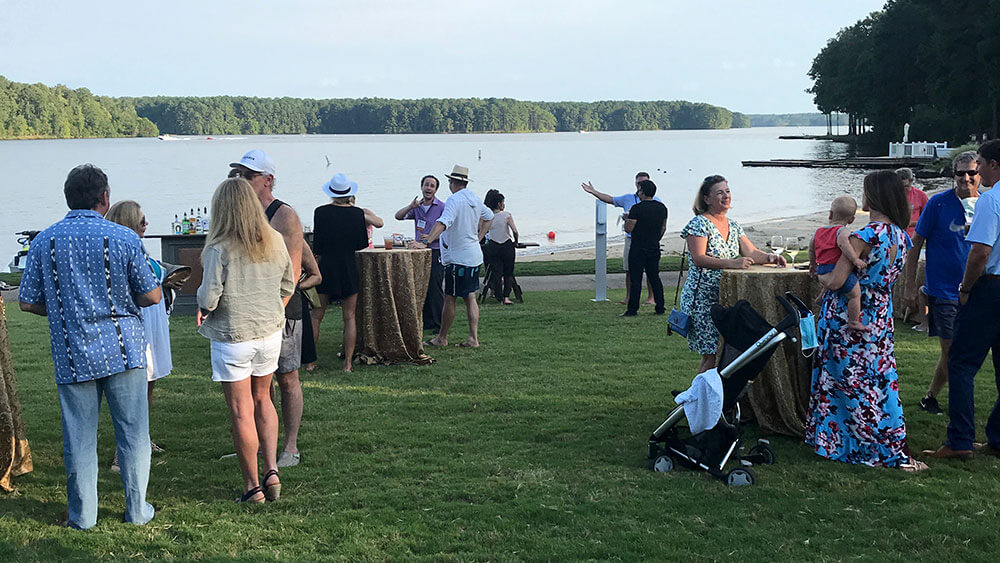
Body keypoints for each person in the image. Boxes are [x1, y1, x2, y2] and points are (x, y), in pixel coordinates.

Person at [18, 164, 161, 529]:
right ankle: (137, 510)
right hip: (123, 349)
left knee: (79, 438)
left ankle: (83, 516)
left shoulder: (44, 241)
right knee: (133, 434)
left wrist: (63, 307)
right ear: (105, 198)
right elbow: (151, 294)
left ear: (68, 198)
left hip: (72, 351)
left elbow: (27, 301)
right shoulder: (125, 238)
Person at [805, 170, 925, 472]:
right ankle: (880, 441)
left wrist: (819, 276)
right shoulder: (901, 236)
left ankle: (849, 444)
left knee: (844, 381)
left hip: (848, 316)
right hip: (880, 314)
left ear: (873, 197)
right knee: (879, 380)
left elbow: (837, 281)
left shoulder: (864, 237)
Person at [196, 177, 295, 502]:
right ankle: (272, 470)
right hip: (269, 333)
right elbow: (287, 285)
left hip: (233, 335)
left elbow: (209, 299)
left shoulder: (219, 247)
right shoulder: (275, 239)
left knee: (241, 411)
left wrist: (201, 304)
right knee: (263, 399)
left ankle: (252, 486)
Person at [923, 140, 1000, 460]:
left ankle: (960, 440)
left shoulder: (991, 200)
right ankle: (998, 438)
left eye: (980, 163)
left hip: (991, 287)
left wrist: (966, 288)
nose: (976, 170)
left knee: (961, 363)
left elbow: (980, 252)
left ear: (993, 165)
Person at [228, 149, 304, 469]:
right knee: (259, 382)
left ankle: (291, 446)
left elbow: (293, 271)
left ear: (268, 180)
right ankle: (260, 444)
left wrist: (275, 312)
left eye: (249, 176)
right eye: (239, 175)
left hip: (282, 310)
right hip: (250, 312)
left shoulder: (284, 215)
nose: (242, 181)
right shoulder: (239, 214)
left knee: (287, 377)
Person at [679, 175, 785, 373]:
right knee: (711, 354)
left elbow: (751, 252)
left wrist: (771, 257)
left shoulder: (734, 226)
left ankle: (714, 391)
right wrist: (732, 263)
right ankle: (700, 392)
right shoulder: (699, 224)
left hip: (725, 297)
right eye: (720, 193)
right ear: (706, 199)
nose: (726, 196)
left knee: (723, 352)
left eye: (727, 191)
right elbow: (698, 258)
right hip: (702, 299)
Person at [902, 151, 980, 415]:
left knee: (963, 352)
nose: (966, 178)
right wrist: (910, 285)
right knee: (952, 351)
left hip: (977, 291)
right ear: (953, 175)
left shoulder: (986, 205)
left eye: (972, 172)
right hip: (943, 290)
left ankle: (930, 396)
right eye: (960, 173)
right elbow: (915, 244)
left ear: (980, 174)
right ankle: (961, 408)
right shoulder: (938, 204)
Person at [105, 200, 172, 472]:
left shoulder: (140, 249)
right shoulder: (120, 250)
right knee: (132, 387)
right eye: (141, 220)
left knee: (149, 381)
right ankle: (121, 452)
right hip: (136, 319)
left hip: (153, 318)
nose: (146, 224)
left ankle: (143, 437)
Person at [411, 165, 493, 348]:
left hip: (458, 259)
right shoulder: (474, 198)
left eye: (449, 181)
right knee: (470, 296)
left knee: (450, 297)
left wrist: (426, 242)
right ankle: (473, 337)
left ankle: (442, 337)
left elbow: (443, 222)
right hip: (473, 256)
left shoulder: (454, 200)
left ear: (452, 182)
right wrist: (479, 237)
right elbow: (489, 217)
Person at [312, 173, 371, 372]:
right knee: (349, 317)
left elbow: (317, 245)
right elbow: (362, 243)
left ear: (331, 193)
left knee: (316, 315)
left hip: (326, 266)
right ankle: (347, 364)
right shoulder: (357, 214)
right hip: (348, 267)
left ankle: (310, 362)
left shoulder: (320, 212)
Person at [581, 172, 660, 306]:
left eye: (643, 183)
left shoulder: (656, 201)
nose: (640, 186)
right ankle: (629, 298)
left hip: (649, 240)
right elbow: (610, 199)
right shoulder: (628, 198)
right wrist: (594, 192)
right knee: (629, 270)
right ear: (635, 183)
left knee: (651, 271)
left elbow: (660, 222)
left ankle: (651, 298)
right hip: (632, 240)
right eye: (638, 183)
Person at [808, 196, 866, 331]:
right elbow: (843, 244)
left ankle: (821, 297)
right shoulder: (842, 231)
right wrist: (854, 259)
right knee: (855, 294)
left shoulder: (818, 231)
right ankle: (853, 321)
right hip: (836, 268)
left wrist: (813, 264)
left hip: (822, 268)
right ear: (851, 220)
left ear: (830, 214)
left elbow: (811, 247)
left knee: (829, 282)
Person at [395, 175, 445, 328]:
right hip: (419, 253)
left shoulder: (442, 207)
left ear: (436, 190)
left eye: (432, 186)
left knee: (435, 287)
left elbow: (447, 230)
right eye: (426, 185)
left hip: (435, 251)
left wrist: (431, 238)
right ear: (422, 187)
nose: (428, 188)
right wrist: (410, 207)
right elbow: (398, 216)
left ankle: (439, 323)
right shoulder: (417, 207)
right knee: (421, 286)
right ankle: (426, 322)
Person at [622, 179, 667, 316]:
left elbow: (629, 228)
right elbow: (663, 227)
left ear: (642, 192)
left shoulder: (636, 208)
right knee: (654, 278)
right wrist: (656, 239)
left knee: (636, 279)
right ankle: (660, 307)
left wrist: (626, 220)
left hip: (638, 247)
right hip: (653, 246)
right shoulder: (662, 208)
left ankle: (632, 309)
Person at [897, 167, 930, 331]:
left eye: (906, 186)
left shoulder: (920, 196)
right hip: (897, 237)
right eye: (900, 187)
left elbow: (927, 219)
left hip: (913, 237)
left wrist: (910, 223)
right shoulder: (893, 196)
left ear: (911, 182)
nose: (904, 190)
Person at [482, 188, 520, 305]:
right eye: (503, 202)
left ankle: (499, 298)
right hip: (507, 245)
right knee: (508, 272)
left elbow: (482, 230)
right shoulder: (506, 215)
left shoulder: (488, 216)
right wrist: (516, 241)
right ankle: (506, 296)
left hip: (493, 245)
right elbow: (515, 231)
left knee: (496, 273)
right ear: (499, 204)